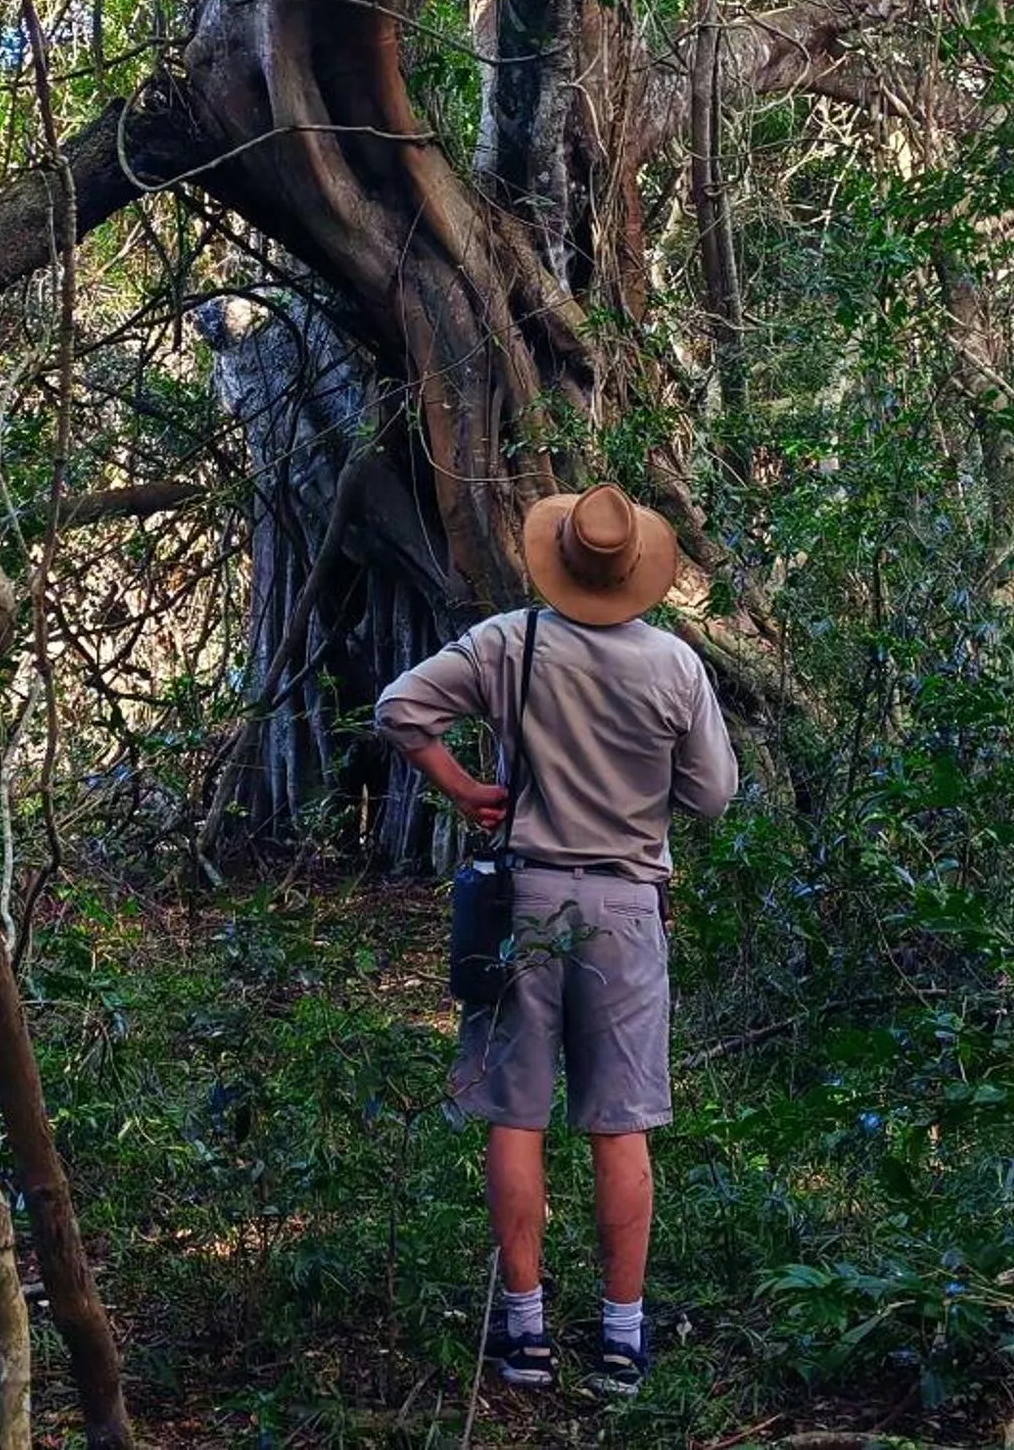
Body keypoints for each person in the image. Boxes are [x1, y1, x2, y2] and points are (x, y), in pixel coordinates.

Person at [375, 483, 740, 1398]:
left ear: (560, 560)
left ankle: (526, 1333)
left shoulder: (509, 641)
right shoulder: (673, 666)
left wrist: (463, 788)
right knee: (620, 1128)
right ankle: (621, 1340)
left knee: (516, 1114)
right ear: (636, 573)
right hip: (625, 909)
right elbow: (712, 796)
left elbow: (400, 709)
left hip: (522, 898)